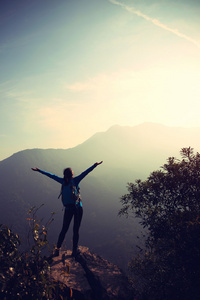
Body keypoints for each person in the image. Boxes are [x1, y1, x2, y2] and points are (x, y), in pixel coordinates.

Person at [31, 161, 103, 257]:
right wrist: (95, 165)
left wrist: (39, 170)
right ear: (72, 174)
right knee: (75, 229)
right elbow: (85, 173)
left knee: (64, 229)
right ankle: (74, 250)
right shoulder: (75, 180)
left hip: (68, 209)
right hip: (77, 208)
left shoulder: (63, 182)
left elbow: (51, 175)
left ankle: (57, 249)